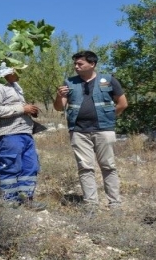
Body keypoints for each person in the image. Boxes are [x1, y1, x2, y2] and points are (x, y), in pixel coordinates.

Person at [53, 50, 128, 212]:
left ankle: (115, 204)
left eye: (80, 63)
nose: (76, 66)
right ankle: (91, 205)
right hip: (78, 131)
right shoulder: (69, 82)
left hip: (104, 130)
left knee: (108, 166)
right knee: (85, 168)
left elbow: (122, 103)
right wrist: (59, 96)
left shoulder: (108, 80)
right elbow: (59, 107)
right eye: (75, 64)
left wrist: (108, 117)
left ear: (92, 64)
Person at [0, 62, 47, 211]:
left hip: (24, 132)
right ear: (6, 72)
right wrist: (22, 108)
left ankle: (26, 199)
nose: (19, 73)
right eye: (16, 70)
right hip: (8, 133)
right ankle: (9, 202)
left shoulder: (15, 87)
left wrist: (28, 111)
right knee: (10, 166)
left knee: (31, 166)